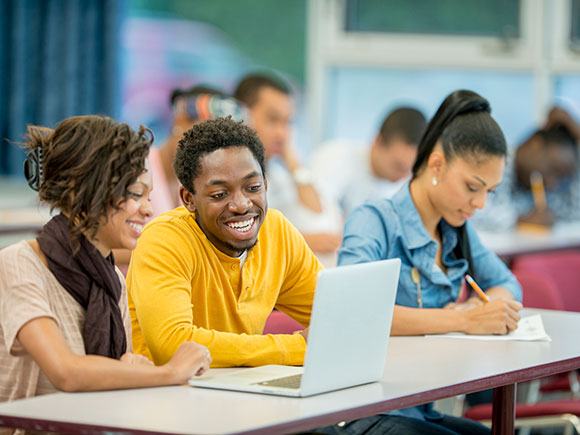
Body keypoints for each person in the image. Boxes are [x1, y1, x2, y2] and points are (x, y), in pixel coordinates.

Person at [335, 90, 523, 434]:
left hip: (419, 410)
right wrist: (463, 322)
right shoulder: (373, 219)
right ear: (436, 164)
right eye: (472, 186)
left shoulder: (456, 231)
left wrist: (484, 311)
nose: (480, 203)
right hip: (365, 411)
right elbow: (355, 312)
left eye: (489, 192)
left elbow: (509, 284)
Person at [0, 116, 211, 408]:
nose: (148, 210)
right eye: (136, 194)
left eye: (149, 196)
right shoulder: (19, 263)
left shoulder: (113, 280)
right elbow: (66, 373)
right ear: (87, 190)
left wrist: (133, 368)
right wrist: (170, 372)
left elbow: (119, 370)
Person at [126, 116, 321, 368]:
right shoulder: (164, 239)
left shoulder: (277, 230)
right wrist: (293, 347)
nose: (241, 205)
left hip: (245, 392)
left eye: (253, 187)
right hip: (170, 397)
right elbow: (174, 346)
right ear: (188, 198)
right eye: (219, 194)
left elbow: (336, 313)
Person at [114, 86, 248, 273]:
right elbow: (95, 245)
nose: (214, 151)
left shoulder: (194, 182)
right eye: (209, 138)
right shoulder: (132, 167)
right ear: (181, 120)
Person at [233, 73, 343, 255]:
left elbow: (319, 214)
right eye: (273, 120)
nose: (282, 133)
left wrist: (292, 159)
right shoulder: (225, 175)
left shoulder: (277, 174)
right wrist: (299, 241)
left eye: (288, 122)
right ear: (241, 116)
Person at [472, 106, 580, 231]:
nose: (552, 183)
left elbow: (575, 213)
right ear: (535, 144)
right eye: (554, 169)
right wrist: (519, 220)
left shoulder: (550, 191)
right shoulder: (489, 159)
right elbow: (471, 209)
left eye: (561, 177)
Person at [312, 107, 427, 215]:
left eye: (409, 170)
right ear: (377, 141)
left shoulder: (408, 187)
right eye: (398, 166)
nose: (403, 177)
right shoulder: (335, 157)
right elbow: (314, 213)